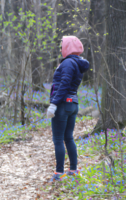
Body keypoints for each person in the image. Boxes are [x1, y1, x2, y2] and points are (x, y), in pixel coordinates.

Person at [46, 36, 90, 182]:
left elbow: (64, 84)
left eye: (62, 46)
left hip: (63, 104)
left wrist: (54, 104)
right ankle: (73, 170)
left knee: (58, 139)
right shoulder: (77, 63)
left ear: (68, 47)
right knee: (68, 137)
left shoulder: (68, 63)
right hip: (73, 103)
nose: (60, 49)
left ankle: (59, 173)